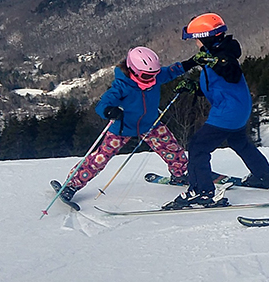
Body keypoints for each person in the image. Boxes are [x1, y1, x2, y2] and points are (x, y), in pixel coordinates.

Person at [165, 13, 269, 209]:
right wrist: (194, 88)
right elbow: (218, 86)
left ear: (206, 38)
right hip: (237, 109)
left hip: (228, 112)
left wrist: (213, 61)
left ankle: (201, 192)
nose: (196, 44)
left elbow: (231, 73)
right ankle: (263, 176)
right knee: (239, 142)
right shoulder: (217, 54)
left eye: (197, 39)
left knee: (197, 147)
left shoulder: (223, 56)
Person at [55, 47, 191, 203]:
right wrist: (109, 111)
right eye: (147, 75)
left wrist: (190, 63)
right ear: (133, 70)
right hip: (122, 129)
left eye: (154, 74)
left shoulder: (155, 78)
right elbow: (103, 104)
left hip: (150, 124)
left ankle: (179, 174)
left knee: (172, 149)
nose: (151, 79)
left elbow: (172, 71)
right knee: (100, 158)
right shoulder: (122, 86)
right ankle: (71, 185)